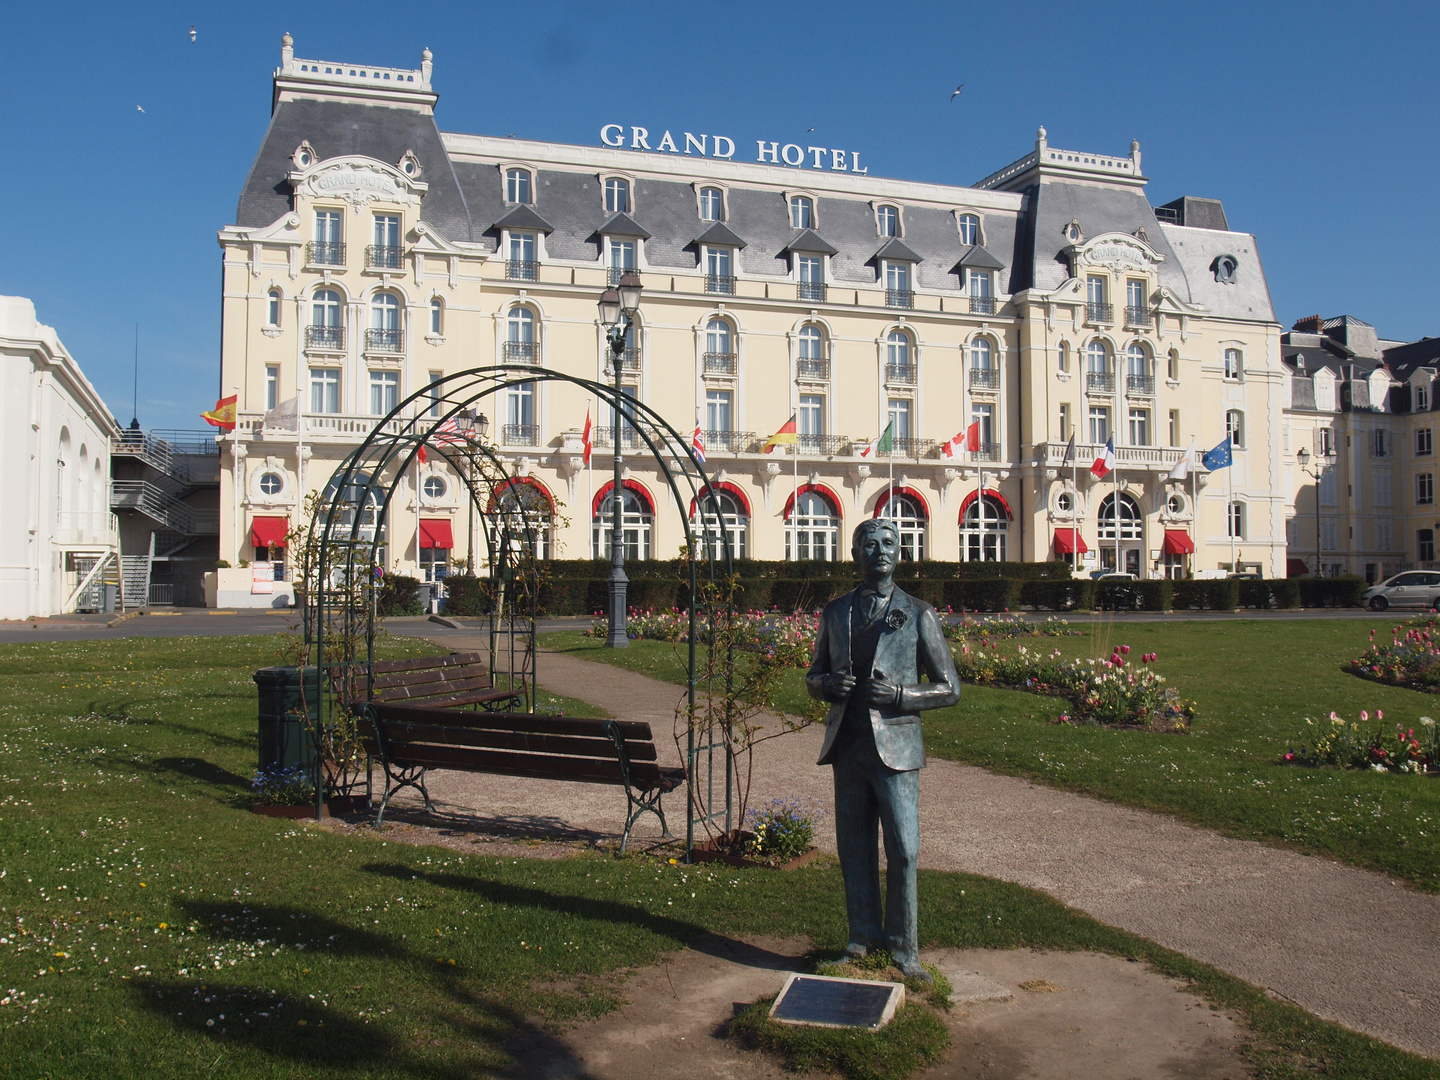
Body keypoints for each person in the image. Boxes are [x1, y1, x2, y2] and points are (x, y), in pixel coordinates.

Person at [805, 518, 960, 980]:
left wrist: (900, 696)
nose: (879, 551)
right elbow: (814, 676)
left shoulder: (919, 614)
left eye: (889, 543)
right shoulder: (835, 612)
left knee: (904, 850)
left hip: (896, 749)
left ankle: (903, 951)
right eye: (869, 544)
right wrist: (827, 684)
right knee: (853, 849)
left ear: (900, 553)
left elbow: (950, 687)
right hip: (849, 748)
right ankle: (860, 941)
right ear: (855, 553)